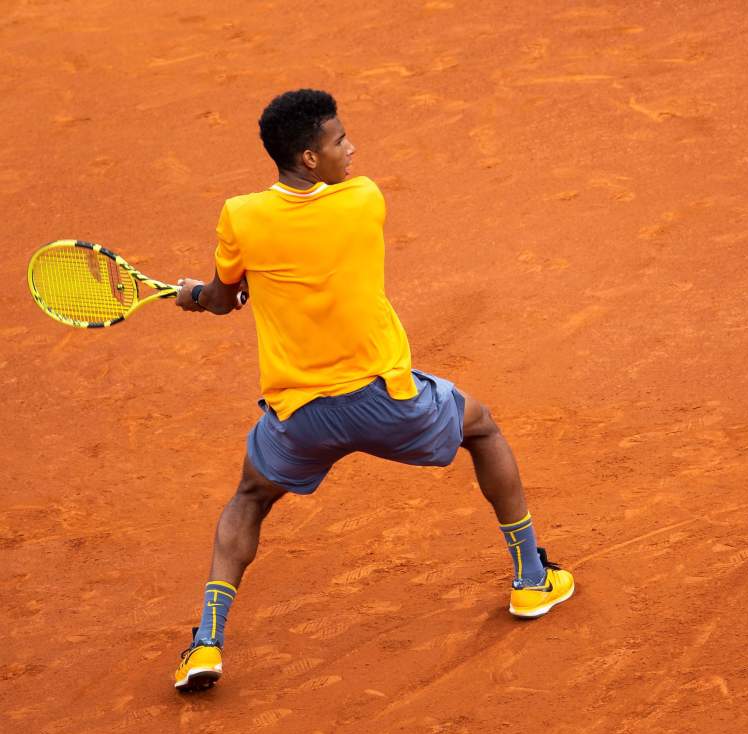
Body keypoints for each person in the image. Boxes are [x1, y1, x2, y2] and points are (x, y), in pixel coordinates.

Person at [171, 88, 573, 692]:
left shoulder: (241, 216)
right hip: (387, 402)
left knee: (249, 499)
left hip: (300, 416)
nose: (351, 149)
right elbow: (317, 251)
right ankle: (532, 578)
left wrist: (194, 297)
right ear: (310, 159)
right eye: (339, 140)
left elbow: (224, 298)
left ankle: (206, 643)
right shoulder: (363, 199)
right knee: (482, 428)